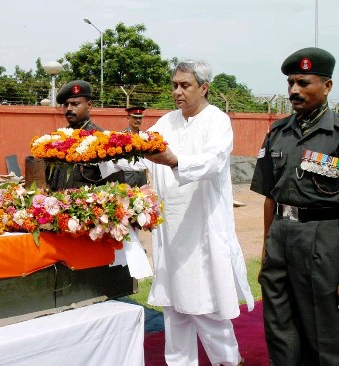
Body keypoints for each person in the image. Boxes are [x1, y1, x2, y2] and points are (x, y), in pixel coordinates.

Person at [143, 60, 253, 366]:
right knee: (174, 310)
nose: (178, 91)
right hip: (171, 231)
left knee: (207, 308)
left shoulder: (217, 121)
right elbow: (141, 153)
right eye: (175, 85)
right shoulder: (166, 122)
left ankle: (229, 362)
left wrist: (174, 160)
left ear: (204, 88)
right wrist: (109, 153)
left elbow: (213, 161)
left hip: (203, 230)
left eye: (185, 85)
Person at [250, 47, 339, 365]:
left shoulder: (337, 134)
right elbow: (270, 195)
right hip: (281, 237)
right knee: (278, 323)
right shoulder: (278, 132)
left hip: (323, 239)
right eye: (291, 83)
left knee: (323, 329)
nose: (294, 91)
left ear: (327, 86)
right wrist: (265, 246)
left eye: (303, 82)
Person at [45, 80, 113, 190]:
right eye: (65, 105)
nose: (69, 109)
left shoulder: (102, 139)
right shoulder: (57, 138)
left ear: (89, 106)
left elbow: (111, 185)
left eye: (75, 104)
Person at [122, 106, 148, 187]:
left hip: (142, 175)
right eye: (135, 117)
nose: (138, 120)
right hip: (128, 175)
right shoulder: (121, 136)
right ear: (128, 117)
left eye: (140, 118)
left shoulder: (145, 137)